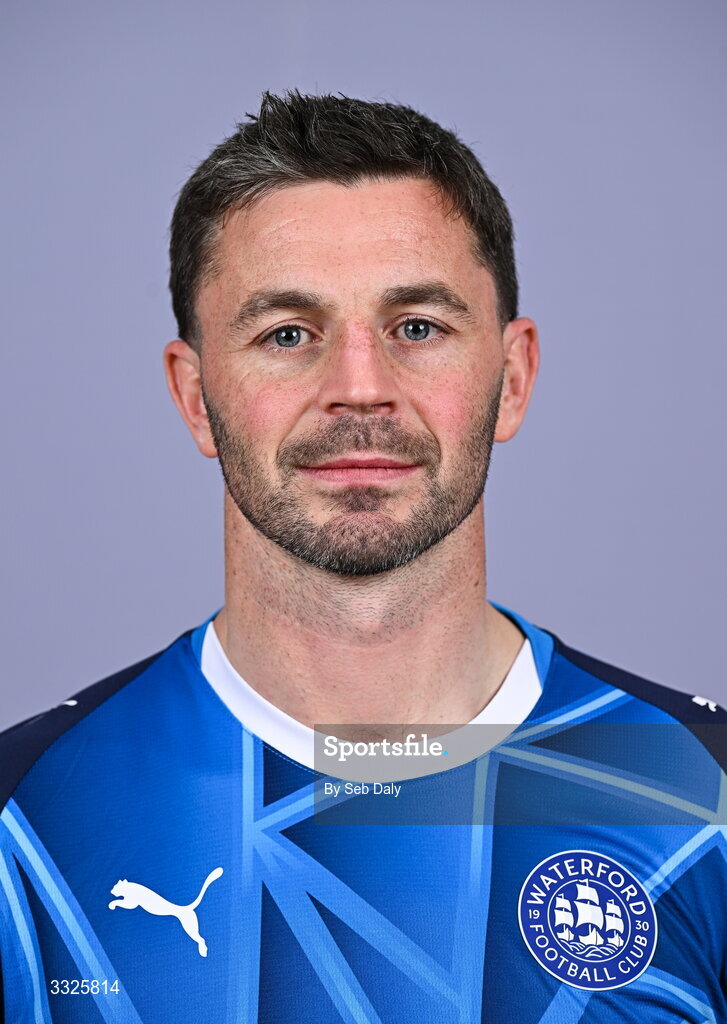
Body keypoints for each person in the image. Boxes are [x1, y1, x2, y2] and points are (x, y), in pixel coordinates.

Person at [0, 89, 724, 1024]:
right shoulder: (24, 821)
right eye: (287, 335)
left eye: (416, 327)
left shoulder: (696, 791)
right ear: (193, 396)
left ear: (512, 379)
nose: (359, 389)